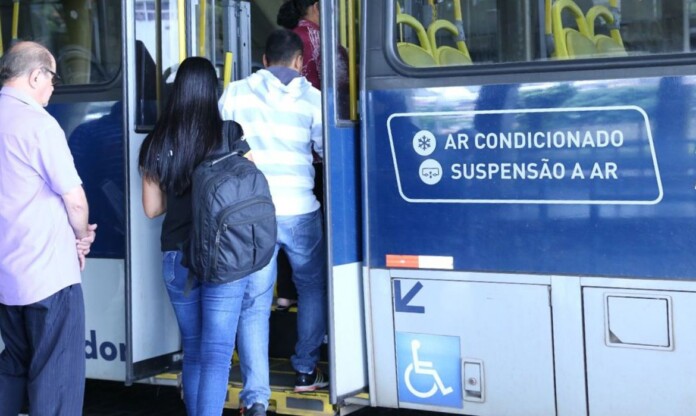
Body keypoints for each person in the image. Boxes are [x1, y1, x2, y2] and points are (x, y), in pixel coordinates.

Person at [138, 56, 268, 416]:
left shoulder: (156, 141)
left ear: (176, 90)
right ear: (213, 91)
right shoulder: (229, 133)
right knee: (217, 354)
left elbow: (152, 208)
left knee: (194, 350)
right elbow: (251, 184)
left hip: (176, 258)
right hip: (224, 256)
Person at [219, 29, 328, 393]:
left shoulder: (235, 93)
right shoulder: (314, 99)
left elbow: (223, 144)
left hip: (253, 211)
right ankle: (305, 370)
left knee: (256, 300)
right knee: (311, 288)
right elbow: (325, 151)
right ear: (299, 62)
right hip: (300, 209)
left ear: (264, 60)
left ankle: (256, 388)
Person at [0, 41, 97, 416]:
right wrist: (81, 237)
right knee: (56, 377)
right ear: (35, 75)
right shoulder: (39, 124)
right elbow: (75, 199)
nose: (54, 87)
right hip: (48, 275)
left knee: (14, 364)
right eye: (52, 77)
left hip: (7, 277)